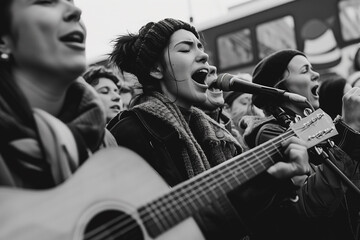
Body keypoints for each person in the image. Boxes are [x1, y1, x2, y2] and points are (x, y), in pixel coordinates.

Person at [107, 18, 311, 239]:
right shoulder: (132, 132)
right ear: (156, 69)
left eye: (200, 47)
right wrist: (265, 182)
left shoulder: (214, 134)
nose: (203, 55)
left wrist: (280, 183)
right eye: (185, 49)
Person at [242, 49, 360, 240]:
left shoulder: (314, 121)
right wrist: (350, 127)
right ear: (280, 88)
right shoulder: (269, 132)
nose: (316, 74)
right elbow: (311, 203)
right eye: (305, 70)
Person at [0, 0, 116, 189]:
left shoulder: (105, 140)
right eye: (46, 2)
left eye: (70, 1)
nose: (76, 11)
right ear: (3, 40)